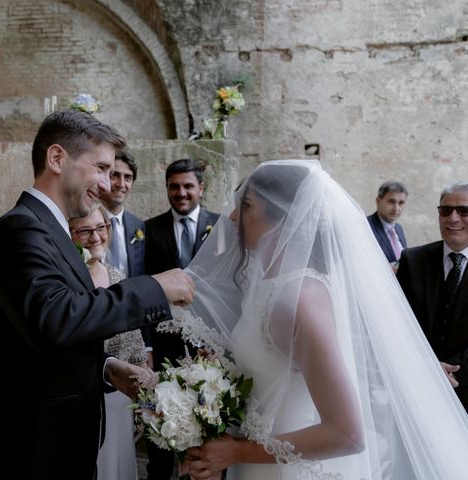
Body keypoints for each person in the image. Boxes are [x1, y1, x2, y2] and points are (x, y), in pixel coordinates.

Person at [161, 160, 468, 479]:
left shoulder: (300, 299)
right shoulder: (262, 282)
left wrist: (237, 450)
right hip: (257, 458)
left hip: (294, 466)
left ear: (282, 217)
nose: (234, 216)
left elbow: (347, 434)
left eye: (247, 205)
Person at [0, 110, 194, 480]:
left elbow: (40, 348)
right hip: (29, 452)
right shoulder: (20, 230)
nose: (107, 185)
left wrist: (107, 369)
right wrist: (155, 288)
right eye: (101, 168)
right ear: (57, 158)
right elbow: (56, 319)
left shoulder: (46, 229)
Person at [143, 158, 219, 480]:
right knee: (162, 421)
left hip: (210, 347)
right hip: (165, 344)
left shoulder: (220, 226)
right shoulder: (149, 229)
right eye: (174, 186)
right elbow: (144, 288)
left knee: (207, 421)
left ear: (201, 188)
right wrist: (147, 345)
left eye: (188, 186)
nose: (181, 193)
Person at [69, 207, 148, 480]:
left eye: (101, 228)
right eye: (85, 231)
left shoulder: (117, 277)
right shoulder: (65, 283)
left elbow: (135, 341)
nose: (95, 237)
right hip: (81, 401)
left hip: (119, 401)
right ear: (69, 236)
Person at [397, 183, 468, 411]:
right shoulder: (413, 260)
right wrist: (427, 368)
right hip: (417, 390)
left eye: (464, 211)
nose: (453, 218)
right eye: (445, 211)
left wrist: (450, 373)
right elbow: (397, 323)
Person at [99, 150, 146, 278]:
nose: (121, 184)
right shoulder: (85, 221)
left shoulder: (138, 225)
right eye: (114, 175)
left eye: (128, 178)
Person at [367, 181, 408, 271]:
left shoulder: (398, 228)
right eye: (391, 202)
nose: (396, 208)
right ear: (378, 201)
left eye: (401, 203)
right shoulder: (366, 227)